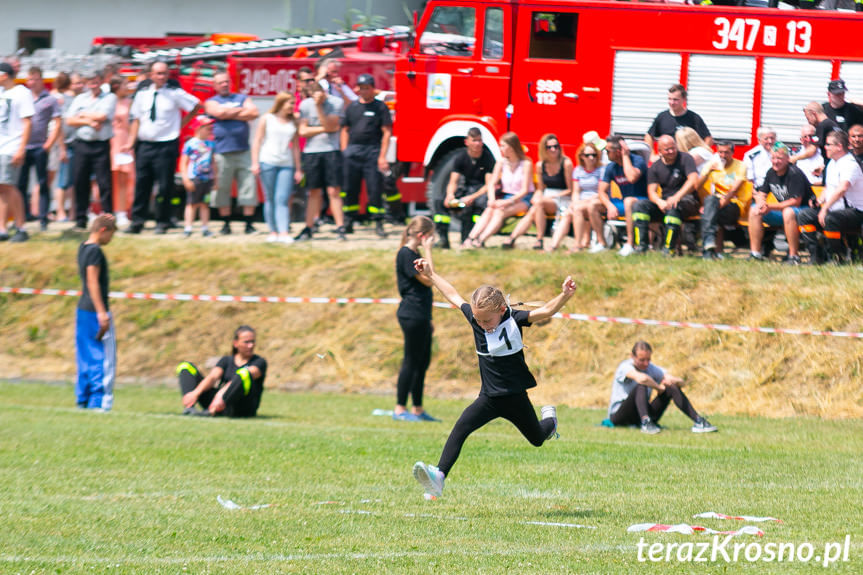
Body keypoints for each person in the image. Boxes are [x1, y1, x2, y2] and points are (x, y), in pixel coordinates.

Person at [410, 256, 577, 498]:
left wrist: (564, 295)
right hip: (488, 398)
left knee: (538, 438)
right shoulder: (476, 320)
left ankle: (550, 419)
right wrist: (431, 274)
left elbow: (546, 311)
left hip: (515, 398)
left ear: (501, 310)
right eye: (478, 320)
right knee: (460, 428)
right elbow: (453, 295)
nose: (483, 324)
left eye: (487, 320)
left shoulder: (516, 320)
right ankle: (439, 476)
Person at [126, 61, 201, 234]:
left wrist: (180, 125)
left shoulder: (174, 93)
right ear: (151, 75)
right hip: (145, 144)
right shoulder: (142, 94)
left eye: (165, 73)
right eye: (158, 73)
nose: (162, 77)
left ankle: (163, 221)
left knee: (165, 186)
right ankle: (137, 221)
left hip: (166, 144)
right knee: (142, 184)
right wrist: (131, 141)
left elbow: (196, 105)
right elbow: (136, 119)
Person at [608, 340, 717, 434]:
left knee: (671, 387)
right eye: (642, 360)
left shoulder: (650, 368)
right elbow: (642, 379)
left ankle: (698, 421)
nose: (646, 363)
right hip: (619, 416)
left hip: (639, 414)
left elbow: (678, 382)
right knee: (641, 385)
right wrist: (659, 388)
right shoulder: (625, 367)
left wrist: (673, 381)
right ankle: (646, 422)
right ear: (632, 356)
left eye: (648, 359)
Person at [393, 216, 439, 422]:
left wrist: (429, 319)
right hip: (411, 314)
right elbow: (430, 280)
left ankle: (418, 408)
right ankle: (400, 408)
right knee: (411, 362)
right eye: (431, 237)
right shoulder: (406, 254)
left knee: (423, 362)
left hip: (421, 315)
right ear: (422, 236)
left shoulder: (414, 253)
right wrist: (429, 251)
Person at [204, 72, 260, 235]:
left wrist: (228, 112)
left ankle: (248, 225)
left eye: (227, 82)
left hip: (243, 150)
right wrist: (239, 111)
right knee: (222, 188)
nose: (224, 85)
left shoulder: (242, 97)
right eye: (220, 83)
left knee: (248, 187)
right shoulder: (211, 101)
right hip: (221, 152)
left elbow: (254, 113)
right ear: (215, 86)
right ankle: (226, 224)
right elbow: (218, 113)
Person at [797, 129, 863, 264]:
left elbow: (842, 189)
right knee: (804, 215)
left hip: (856, 211)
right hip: (835, 208)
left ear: (839, 147)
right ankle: (816, 256)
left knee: (830, 219)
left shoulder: (850, 164)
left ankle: (838, 257)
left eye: (828, 144)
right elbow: (830, 188)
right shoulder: (832, 163)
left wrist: (824, 209)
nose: (825, 147)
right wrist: (819, 200)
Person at [341, 73, 392, 238]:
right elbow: (344, 130)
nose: (364, 91)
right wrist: (345, 151)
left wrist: (382, 156)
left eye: (367, 88)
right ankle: (348, 221)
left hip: (372, 151)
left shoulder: (380, 107)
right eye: (361, 88)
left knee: (374, 189)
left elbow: (386, 133)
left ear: (372, 89)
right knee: (350, 189)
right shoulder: (352, 107)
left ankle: (378, 222)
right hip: (353, 152)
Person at [177, 325, 268, 417]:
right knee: (185, 366)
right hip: (218, 404)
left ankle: (212, 411)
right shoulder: (226, 360)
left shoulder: (259, 362)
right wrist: (195, 393)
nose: (251, 345)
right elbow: (212, 377)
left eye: (253, 341)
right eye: (247, 342)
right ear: (235, 343)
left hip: (241, 407)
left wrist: (221, 395)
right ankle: (190, 408)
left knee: (244, 373)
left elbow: (243, 375)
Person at [502, 133, 573, 250]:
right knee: (535, 208)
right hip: (545, 198)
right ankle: (517, 239)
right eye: (549, 147)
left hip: (562, 198)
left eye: (556, 146)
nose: (553, 150)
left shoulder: (566, 163)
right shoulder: (540, 165)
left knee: (538, 204)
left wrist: (550, 197)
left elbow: (570, 190)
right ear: (544, 149)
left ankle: (532, 239)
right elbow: (540, 189)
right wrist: (537, 196)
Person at [75, 213, 117, 411]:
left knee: (85, 356)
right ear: (103, 231)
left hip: (83, 310)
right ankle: (99, 401)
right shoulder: (95, 252)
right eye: (111, 233)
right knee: (103, 357)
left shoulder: (83, 247)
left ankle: (83, 398)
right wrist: (102, 313)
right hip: (94, 311)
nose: (112, 238)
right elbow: (93, 282)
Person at [463, 132, 533, 248]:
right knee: (490, 208)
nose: (501, 148)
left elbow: (525, 190)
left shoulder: (525, 164)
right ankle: (470, 239)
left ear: (512, 147)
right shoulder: (501, 162)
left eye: (503, 146)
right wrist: (492, 199)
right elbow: (491, 184)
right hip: (505, 197)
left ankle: (480, 240)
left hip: (522, 199)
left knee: (500, 211)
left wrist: (508, 202)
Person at [65, 72, 116, 231]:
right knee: (80, 181)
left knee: (104, 183)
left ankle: (107, 219)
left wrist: (83, 114)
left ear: (101, 81)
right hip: (82, 144)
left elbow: (102, 116)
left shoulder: (109, 97)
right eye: (90, 81)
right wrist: (89, 121)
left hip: (100, 145)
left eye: (96, 81)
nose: (93, 84)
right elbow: (69, 120)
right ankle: (81, 218)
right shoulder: (80, 98)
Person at [296, 81, 347, 241]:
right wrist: (325, 129)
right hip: (312, 152)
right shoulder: (305, 104)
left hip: (331, 150)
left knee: (333, 191)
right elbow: (303, 131)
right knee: (313, 192)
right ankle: (309, 227)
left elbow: (331, 124)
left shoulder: (335, 103)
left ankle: (340, 227)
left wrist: (319, 108)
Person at [632, 135, 699, 254]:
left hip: (687, 200)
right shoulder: (655, 167)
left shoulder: (686, 158)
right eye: (667, 149)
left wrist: (677, 197)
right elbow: (651, 191)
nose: (671, 151)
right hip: (665, 202)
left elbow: (693, 180)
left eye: (673, 148)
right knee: (639, 206)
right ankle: (641, 247)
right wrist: (659, 202)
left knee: (673, 208)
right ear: (660, 151)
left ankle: (669, 249)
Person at [250, 92, 303, 243]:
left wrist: (298, 169)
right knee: (270, 198)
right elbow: (257, 141)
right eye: (290, 103)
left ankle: (284, 232)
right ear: (281, 103)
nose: (293, 106)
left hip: (286, 164)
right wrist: (255, 163)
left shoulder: (293, 122)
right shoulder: (267, 119)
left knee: (282, 198)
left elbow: (295, 147)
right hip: (267, 161)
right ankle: (272, 231)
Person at [748, 143, 812, 264]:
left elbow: (795, 202)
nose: (775, 161)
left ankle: (794, 257)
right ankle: (755, 253)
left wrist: (769, 206)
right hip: (783, 211)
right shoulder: (771, 172)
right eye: (773, 158)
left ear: (788, 159)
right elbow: (762, 193)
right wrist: (761, 203)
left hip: (804, 211)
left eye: (779, 158)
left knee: (788, 212)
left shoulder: (794, 173)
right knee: (754, 210)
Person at [434, 126, 495, 249]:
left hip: (479, 192)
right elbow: (453, 181)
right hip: (466, 189)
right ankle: (443, 240)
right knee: (439, 202)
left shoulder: (487, 158)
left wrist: (471, 197)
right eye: (475, 140)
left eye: (480, 140)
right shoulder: (461, 157)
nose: (478, 144)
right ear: (467, 142)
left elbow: (489, 184)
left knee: (476, 207)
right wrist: (450, 195)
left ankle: (470, 239)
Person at [18, 66, 61, 230]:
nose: (32, 82)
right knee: (21, 183)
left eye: (35, 79)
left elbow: (58, 122)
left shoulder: (50, 99)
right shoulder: (24, 98)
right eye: (30, 79)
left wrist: (49, 144)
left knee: (43, 183)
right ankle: (23, 216)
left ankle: (43, 218)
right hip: (23, 146)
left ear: (41, 80)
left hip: (39, 146)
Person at [592, 135, 649, 257]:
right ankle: (602, 243)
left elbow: (632, 178)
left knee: (628, 201)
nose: (605, 153)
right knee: (593, 205)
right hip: (624, 203)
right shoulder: (611, 167)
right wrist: (610, 206)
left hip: (642, 202)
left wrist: (625, 156)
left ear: (618, 152)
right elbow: (601, 191)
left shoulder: (638, 161)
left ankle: (630, 244)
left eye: (608, 151)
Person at [0, 61, 34, 243]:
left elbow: (27, 122)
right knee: (2, 188)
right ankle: (2, 228)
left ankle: (21, 226)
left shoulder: (22, 93)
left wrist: (21, 148)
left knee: (9, 186)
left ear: (4, 75)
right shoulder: (1, 92)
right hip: (1, 145)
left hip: (11, 146)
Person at [696, 141, 747, 260]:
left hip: (734, 205)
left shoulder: (740, 166)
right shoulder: (713, 164)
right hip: (715, 204)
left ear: (733, 153)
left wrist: (714, 206)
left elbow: (734, 190)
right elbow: (696, 187)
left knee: (709, 209)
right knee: (711, 202)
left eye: (726, 153)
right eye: (720, 152)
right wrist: (708, 171)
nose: (723, 156)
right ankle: (710, 250)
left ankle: (708, 246)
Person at [645, 84, 713, 153]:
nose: (672, 102)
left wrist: (700, 155)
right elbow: (649, 136)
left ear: (684, 99)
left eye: (675, 100)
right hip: (667, 159)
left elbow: (708, 138)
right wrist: (651, 155)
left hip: (686, 159)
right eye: (669, 99)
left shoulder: (694, 118)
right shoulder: (662, 117)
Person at [54, 72, 84, 224]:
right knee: (63, 181)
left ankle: (73, 212)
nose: (80, 86)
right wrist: (62, 148)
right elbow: (60, 125)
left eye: (81, 83)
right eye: (76, 83)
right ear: (69, 84)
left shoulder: (82, 98)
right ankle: (60, 211)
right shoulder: (63, 100)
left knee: (76, 181)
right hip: (67, 144)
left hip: (79, 143)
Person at [179, 115, 216, 237]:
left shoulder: (211, 144)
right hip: (194, 178)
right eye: (207, 128)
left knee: (205, 204)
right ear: (198, 128)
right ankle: (188, 228)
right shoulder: (190, 143)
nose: (210, 131)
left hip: (207, 178)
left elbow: (213, 162)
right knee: (192, 203)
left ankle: (205, 228)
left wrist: (215, 179)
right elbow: (183, 162)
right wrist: (185, 178)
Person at [569, 141, 606, 253]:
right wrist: (575, 202)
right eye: (587, 155)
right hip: (582, 201)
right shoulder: (578, 170)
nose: (591, 158)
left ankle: (580, 243)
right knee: (572, 211)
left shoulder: (602, 169)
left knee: (583, 208)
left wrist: (581, 203)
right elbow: (575, 191)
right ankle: (555, 244)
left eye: (594, 155)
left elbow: (601, 191)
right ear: (582, 156)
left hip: (597, 199)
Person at [109, 75, 134, 227]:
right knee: (109, 177)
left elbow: (133, 123)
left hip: (124, 140)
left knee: (124, 177)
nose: (128, 87)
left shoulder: (129, 102)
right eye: (125, 84)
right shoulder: (108, 100)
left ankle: (122, 211)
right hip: (110, 140)